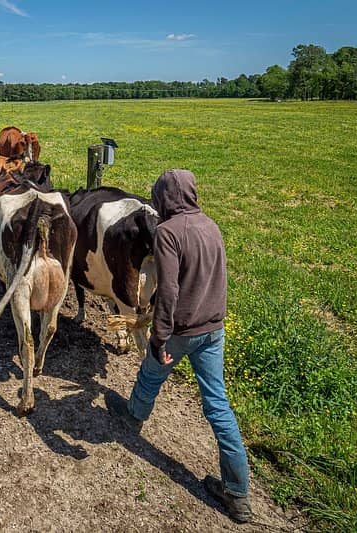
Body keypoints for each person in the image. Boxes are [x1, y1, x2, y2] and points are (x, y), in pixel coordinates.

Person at [115, 169, 252, 523]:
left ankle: (133, 416)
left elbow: (170, 292)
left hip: (182, 330)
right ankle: (237, 493)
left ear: (163, 198)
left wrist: (159, 336)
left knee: (151, 372)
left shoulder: (167, 233)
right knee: (218, 405)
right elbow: (219, 275)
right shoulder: (211, 225)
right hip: (214, 328)